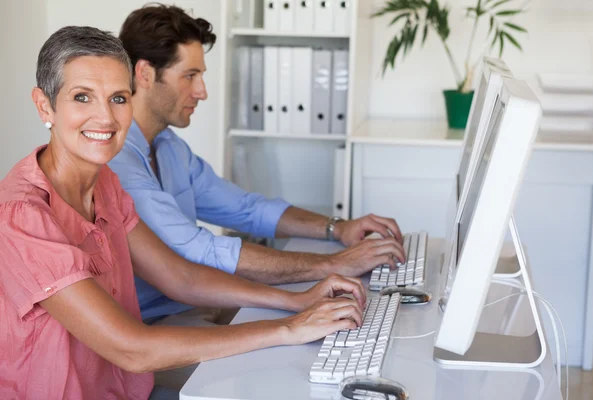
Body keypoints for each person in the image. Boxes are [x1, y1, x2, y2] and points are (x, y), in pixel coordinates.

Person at [0, 26, 368, 400]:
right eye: (83, 97)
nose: (106, 118)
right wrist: (290, 327)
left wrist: (295, 300)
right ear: (45, 105)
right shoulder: (23, 216)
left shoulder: (105, 182)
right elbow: (133, 348)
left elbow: (180, 277)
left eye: (118, 98)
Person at [109, 4, 406, 323]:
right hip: (154, 323)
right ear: (145, 74)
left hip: (195, 306)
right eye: (190, 76)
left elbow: (247, 209)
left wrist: (336, 228)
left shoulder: (169, 147)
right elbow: (197, 249)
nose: (202, 92)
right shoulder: (117, 160)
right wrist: (331, 264)